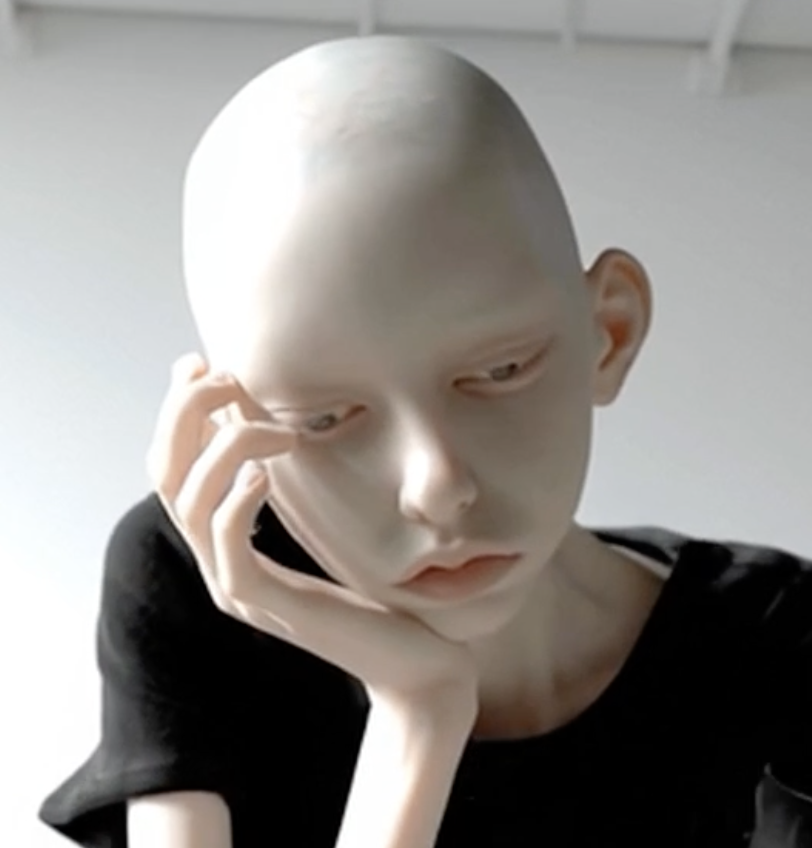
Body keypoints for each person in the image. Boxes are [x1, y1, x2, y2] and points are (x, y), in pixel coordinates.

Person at [38, 34, 811, 848]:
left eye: (501, 369)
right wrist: (419, 715)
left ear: (609, 333)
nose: (437, 487)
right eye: (322, 419)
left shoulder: (778, 641)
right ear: (233, 428)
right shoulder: (204, 585)